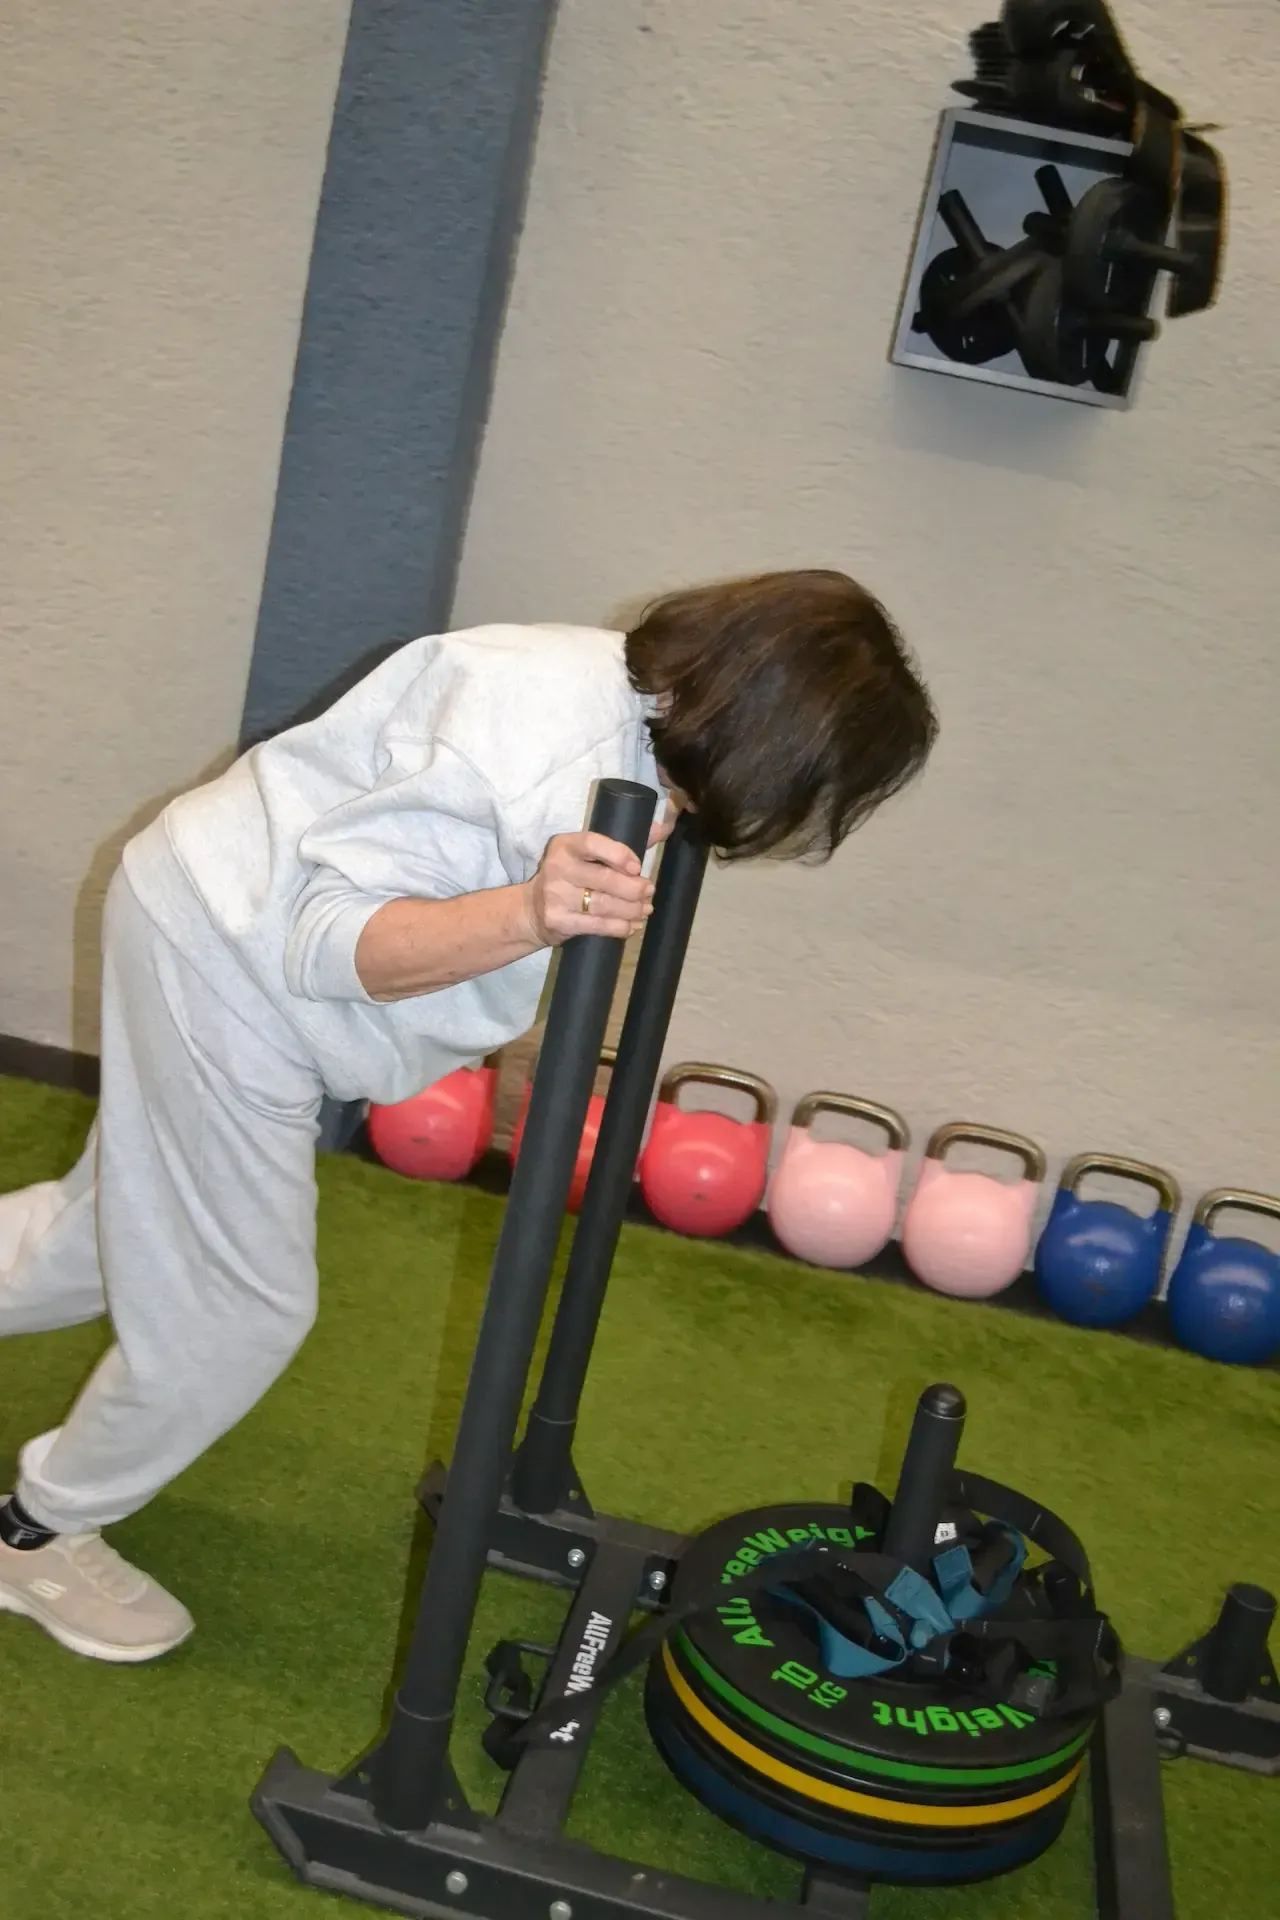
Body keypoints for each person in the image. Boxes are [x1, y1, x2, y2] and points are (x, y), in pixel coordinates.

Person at [0, 568, 936, 1662]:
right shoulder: (536, 736)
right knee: (237, 1308)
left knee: (120, 1229)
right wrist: (528, 913)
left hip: (210, 916)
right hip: (232, 961)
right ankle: (35, 1530)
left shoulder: (624, 714)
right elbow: (327, 942)